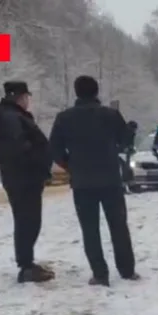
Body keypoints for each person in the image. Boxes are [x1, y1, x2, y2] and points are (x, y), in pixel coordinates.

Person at [49, 75, 138, 286]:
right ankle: (127, 270)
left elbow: (54, 150)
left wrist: (71, 166)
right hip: (110, 180)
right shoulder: (111, 115)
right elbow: (125, 143)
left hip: (82, 183)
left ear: (76, 92)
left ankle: (100, 274)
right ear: (96, 92)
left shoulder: (64, 118)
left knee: (90, 229)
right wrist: (131, 130)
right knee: (118, 226)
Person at [0, 80, 54, 283]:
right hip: (23, 178)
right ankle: (26, 266)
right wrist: (39, 160)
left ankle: (27, 263)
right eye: (26, 97)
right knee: (28, 221)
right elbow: (19, 148)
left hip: (23, 177)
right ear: (20, 97)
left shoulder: (10, 115)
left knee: (29, 220)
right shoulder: (9, 117)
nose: (28, 101)